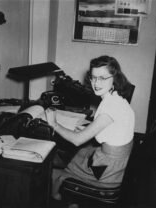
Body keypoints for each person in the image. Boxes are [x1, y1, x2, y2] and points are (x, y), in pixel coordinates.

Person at [45, 55, 135, 201]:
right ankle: (73, 199)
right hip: (115, 160)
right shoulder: (116, 98)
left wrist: (54, 124)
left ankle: (59, 196)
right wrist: (88, 130)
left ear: (115, 78)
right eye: (93, 77)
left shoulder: (111, 106)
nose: (96, 83)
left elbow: (77, 141)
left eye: (103, 78)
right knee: (78, 154)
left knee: (53, 171)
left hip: (108, 173)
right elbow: (110, 130)